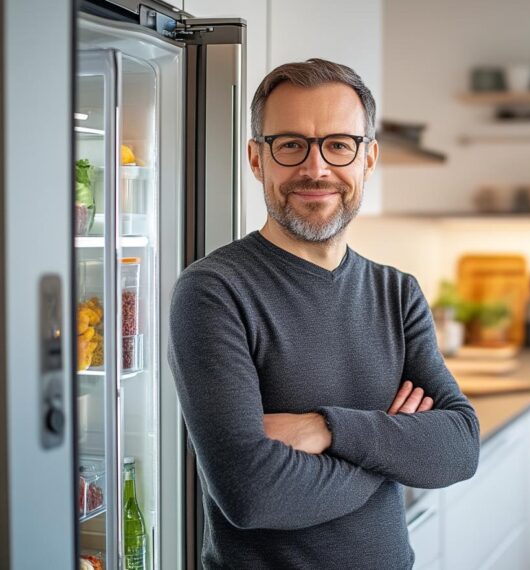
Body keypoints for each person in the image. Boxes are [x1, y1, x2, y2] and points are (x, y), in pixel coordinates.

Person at [168, 58, 480, 569]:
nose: (316, 169)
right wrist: (393, 446)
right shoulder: (214, 292)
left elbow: (460, 447)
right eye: (291, 145)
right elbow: (253, 495)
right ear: (255, 158)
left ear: (369, 159)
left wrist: (327, 429)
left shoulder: (397, 292)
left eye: (339, 144)